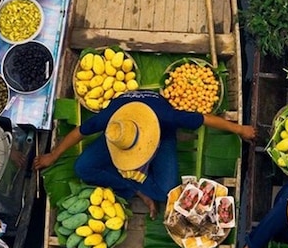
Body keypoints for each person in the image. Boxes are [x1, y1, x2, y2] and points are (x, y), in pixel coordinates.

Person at [33, 90, 256, 218]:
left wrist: (240, 129)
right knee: (82, 167)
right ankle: (136, 189)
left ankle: (137, 183)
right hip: (122, 132)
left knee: (166, 191)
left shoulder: (167, 116)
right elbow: (79, 132)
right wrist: (53, 155)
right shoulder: (111, 120)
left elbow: (204, 118)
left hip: (162, 134)